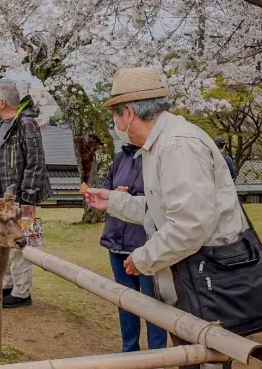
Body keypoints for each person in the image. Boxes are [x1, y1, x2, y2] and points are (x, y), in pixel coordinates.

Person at [86, 68, 247, 369]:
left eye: (115, 116)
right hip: (194, 270)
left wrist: (143, 258)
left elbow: (189, 225)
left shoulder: (177, 145)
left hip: (207, 273)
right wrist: (115, 202)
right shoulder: (160, 145)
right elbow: (164, 208)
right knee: (190, 351)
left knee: (206, 353)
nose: (115, 124)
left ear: (129, 113)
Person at [0, 83, 51, 308]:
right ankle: (8, 284)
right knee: (3, 239)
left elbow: (36, 161)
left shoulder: (26, 123)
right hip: (1, 195)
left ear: (2, 103)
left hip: (21, 197)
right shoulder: (0, 122)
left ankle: (22, 292)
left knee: (22, 242)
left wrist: (29, 198)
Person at [100, 143, 167, 353]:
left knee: (152, 304)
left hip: (145, 244)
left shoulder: (158, 157)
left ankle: (158, 356)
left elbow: (161, 200)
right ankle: (129, 352)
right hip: (116, 240)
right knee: (125, 302)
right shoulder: (120, 157)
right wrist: (114, 194)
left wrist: (129, 198)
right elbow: (105, 188)